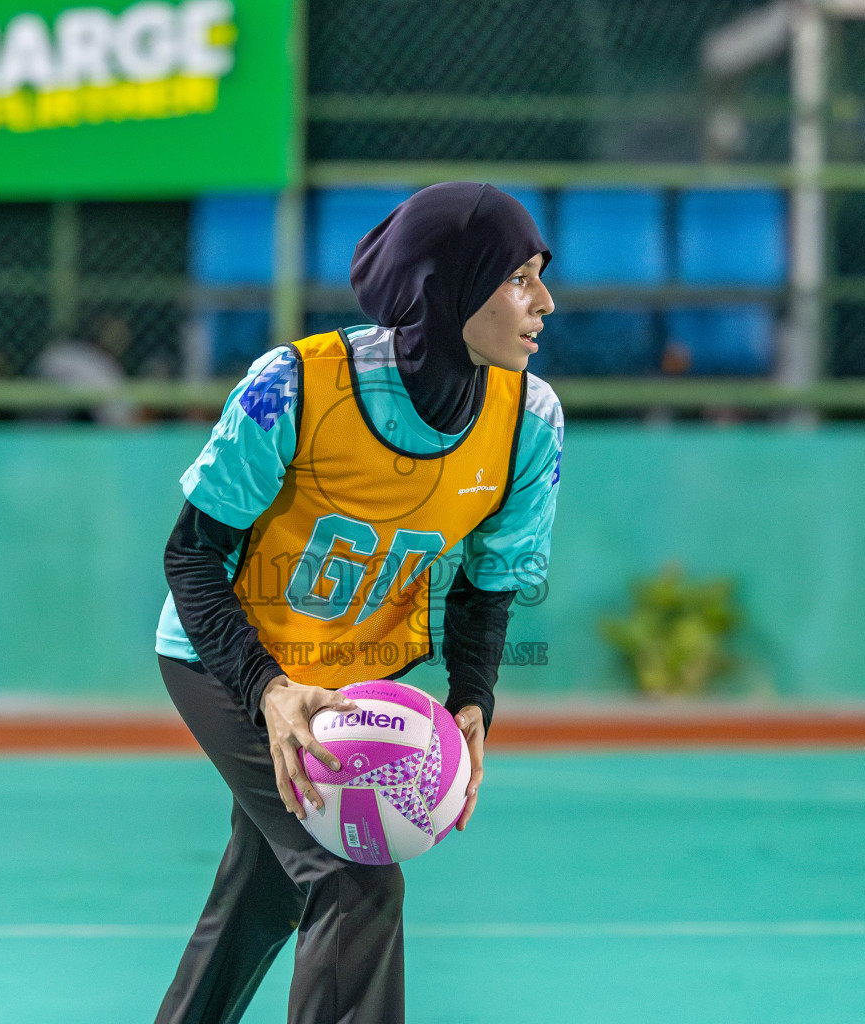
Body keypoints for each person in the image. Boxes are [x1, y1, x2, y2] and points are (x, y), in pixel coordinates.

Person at [152, 182, 562, 1022]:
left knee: (267, 893)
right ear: (448, 287)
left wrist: (473, 700)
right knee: (353, 878)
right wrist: (267, 689)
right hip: (228, 659)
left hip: (355, 682)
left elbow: (488, 582)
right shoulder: (296, 387)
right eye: (519, 278)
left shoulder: (531, 419)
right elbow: (191, 556)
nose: (545, 303)